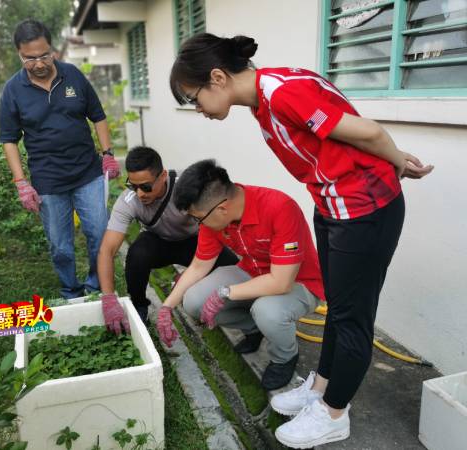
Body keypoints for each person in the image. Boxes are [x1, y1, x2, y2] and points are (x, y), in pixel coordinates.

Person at [169, 33, 434, 448]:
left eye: (193, 98)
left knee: (352, 318)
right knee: (338, 309)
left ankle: (334, 413)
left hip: (364, 210)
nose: (196, 109)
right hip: (332, 205)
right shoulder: (262, 102)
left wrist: (399, 161)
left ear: (217, 78)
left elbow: (367, 131)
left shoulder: (280, 93)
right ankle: (320, 390)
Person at [156, 159, 324, 390]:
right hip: (252, 273)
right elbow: (198, 267)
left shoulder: (280, 208)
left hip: (298, 282)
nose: (197, 224)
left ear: (222, 208)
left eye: (198, 219)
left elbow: (281, 282)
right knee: (193, 301)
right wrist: (167, 307)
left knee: (267, 311)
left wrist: (225, 293)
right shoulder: (212, 217)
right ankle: (253, 328)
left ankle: (284, 356)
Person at [0, 19, 120, 299]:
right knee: (60, 245)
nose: (39, 63)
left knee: (99, 234)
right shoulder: (13, 90)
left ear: (52, 49)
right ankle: (71, 290)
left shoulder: (73, 76)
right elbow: (9, 139)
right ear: (19, 54)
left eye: (44, 55)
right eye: (30, 58)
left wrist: (108, 154)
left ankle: (95, 283)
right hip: (48, 179)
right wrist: (21, 182)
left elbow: (98, 116)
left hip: (87, 172)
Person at [98, 147, 238, 332]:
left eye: (146, 187)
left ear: (163, 176)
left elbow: (222, 217)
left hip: (196, 243)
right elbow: (107, 251)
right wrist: (108, 298)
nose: (140, 193)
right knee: (137, 254)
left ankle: (245, 324)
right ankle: (140, 306)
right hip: (159, 243)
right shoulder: (128, 201)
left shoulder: (185, 187)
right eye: (133, 186)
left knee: (234, 268)